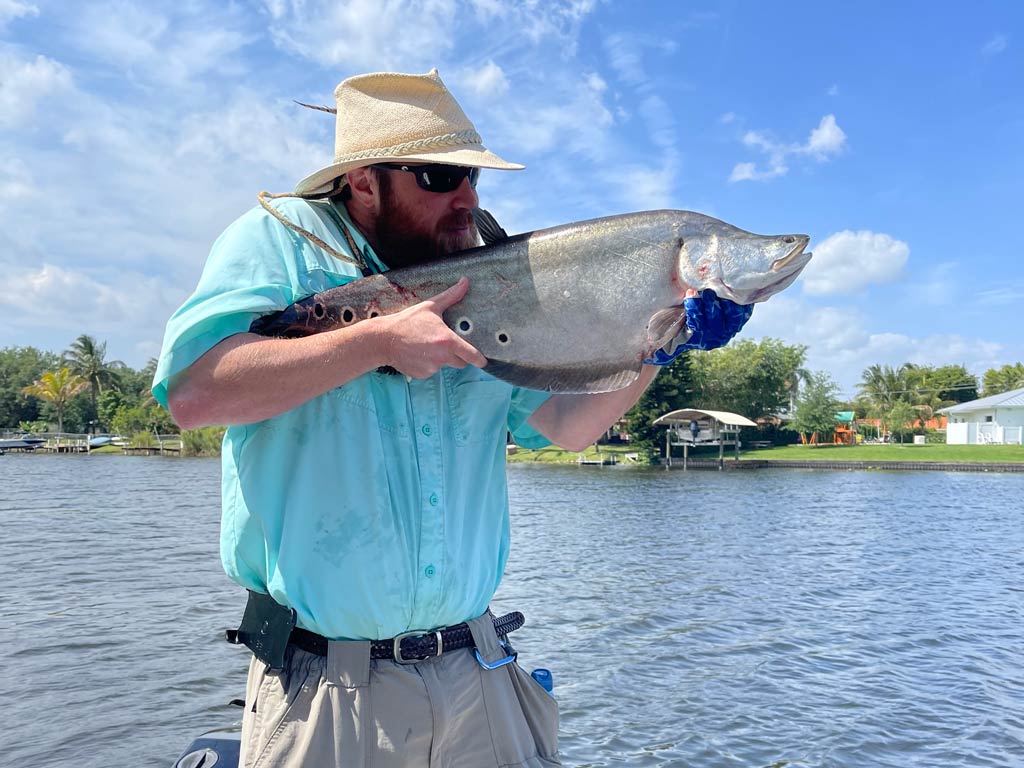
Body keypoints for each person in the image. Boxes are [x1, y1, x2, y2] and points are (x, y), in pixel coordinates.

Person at [153, 69, 752, 768]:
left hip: (478, 672)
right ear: (364, 182)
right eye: (438, 176)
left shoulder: (490, 273)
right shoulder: (279, 244)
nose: (465, 198)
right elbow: (196, 395)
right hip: (327, 689)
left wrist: (661, 342)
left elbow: (567, 427)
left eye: (472, 177)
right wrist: (376, 341)